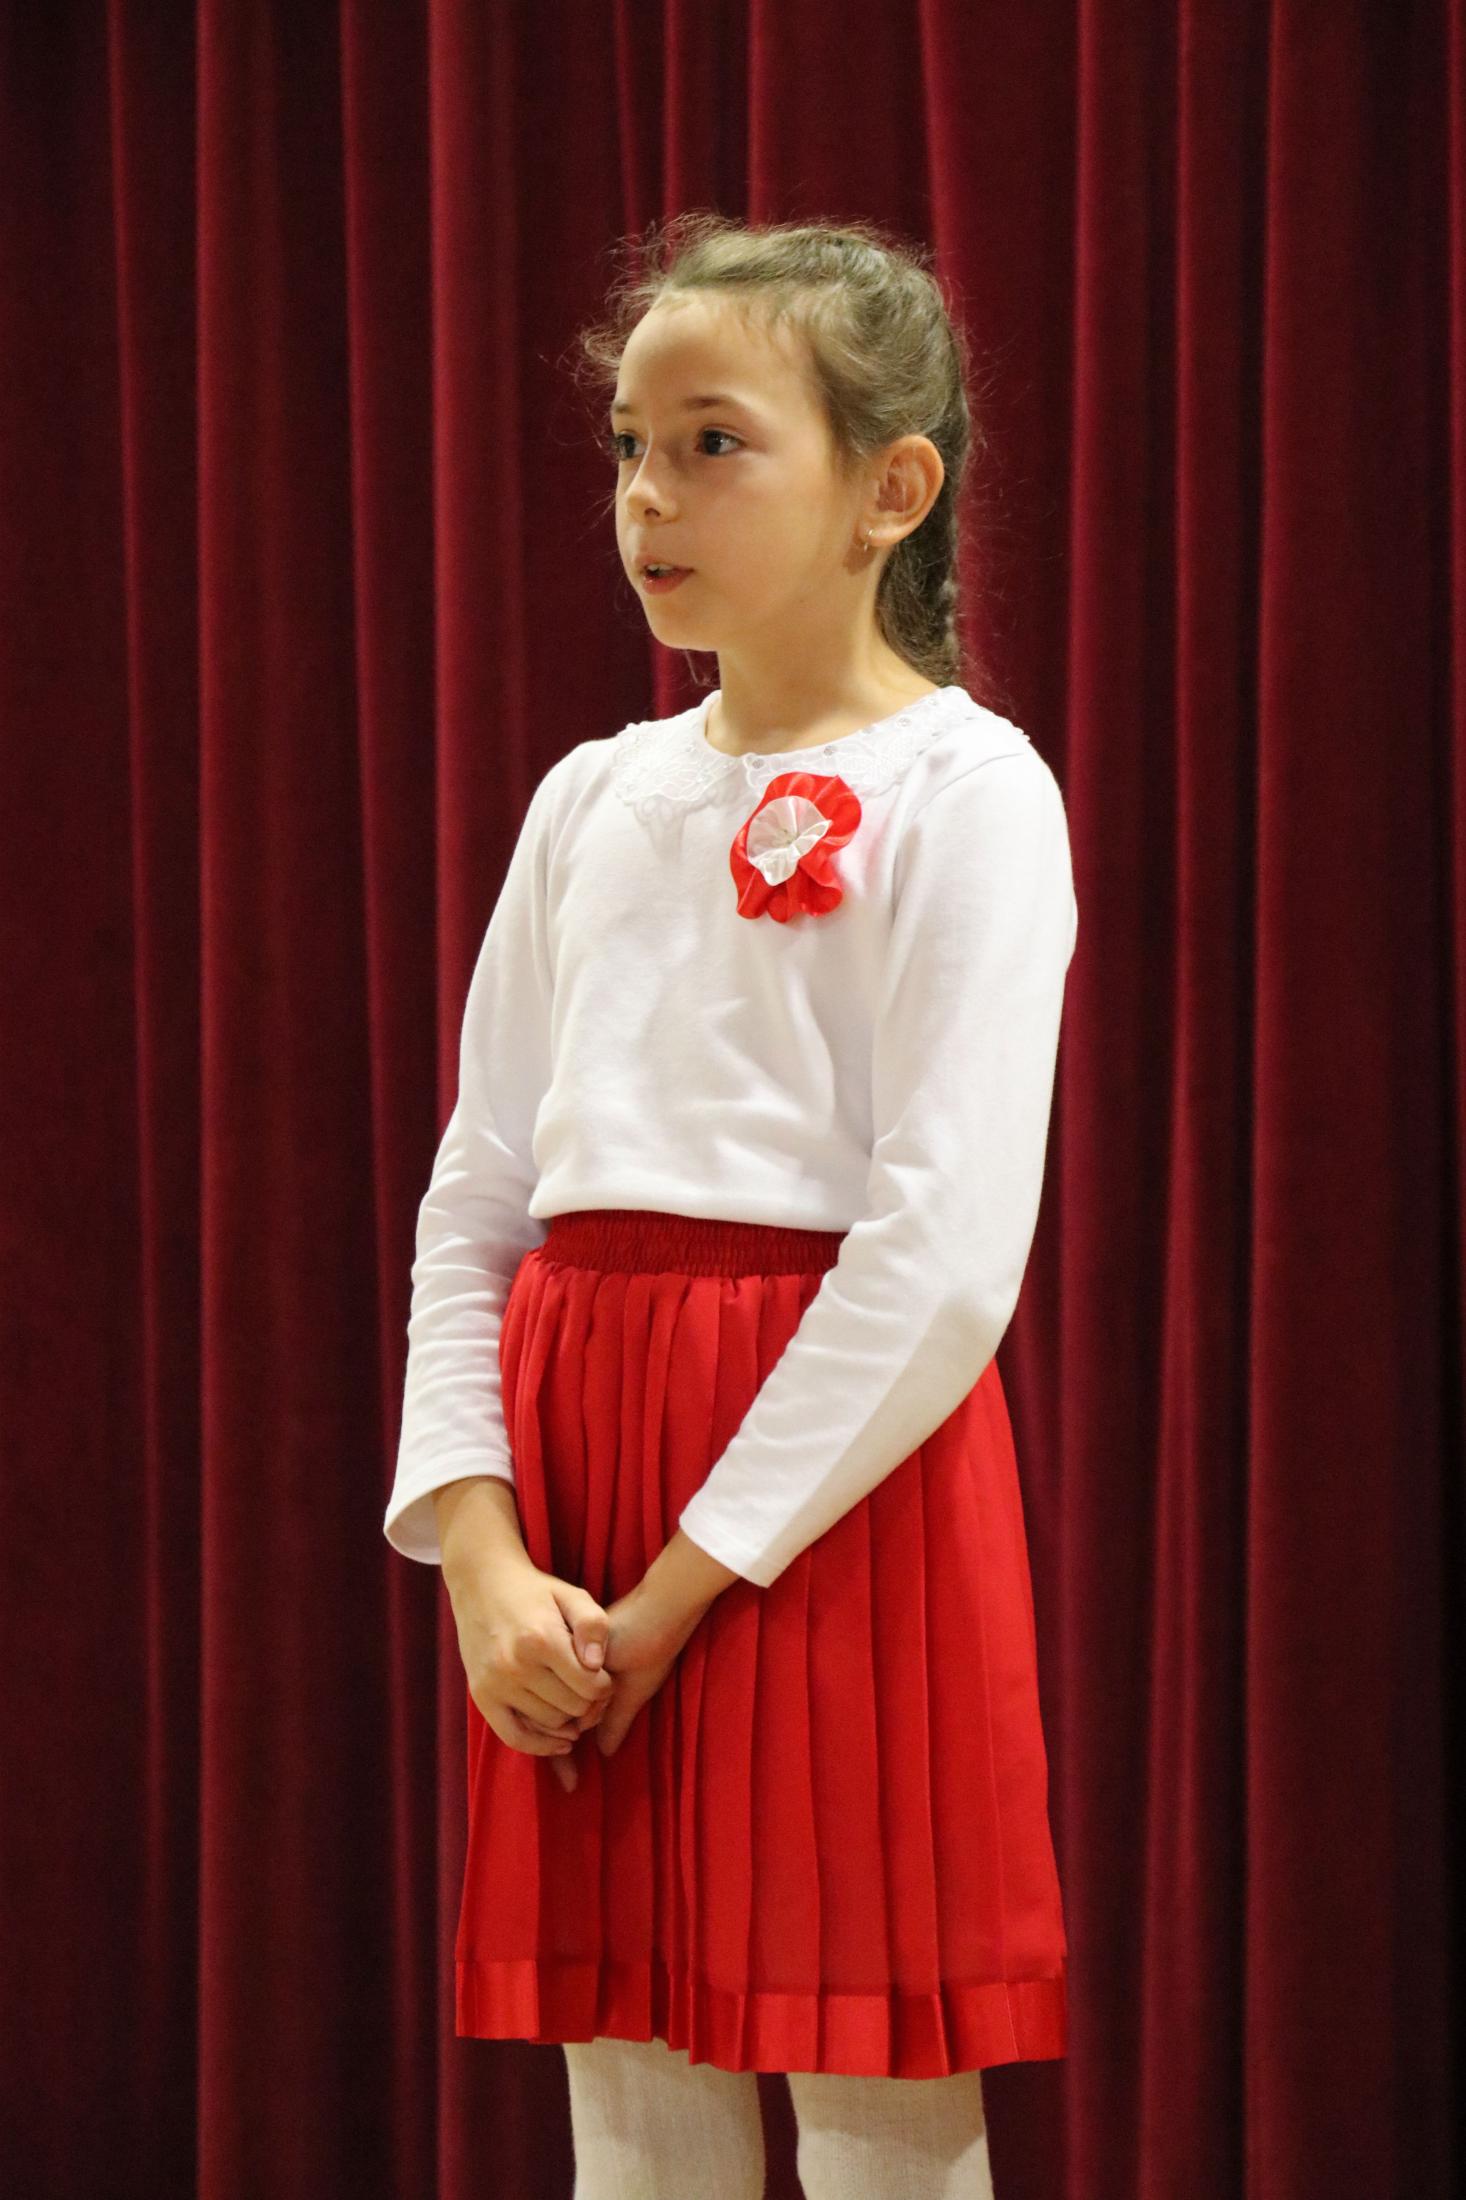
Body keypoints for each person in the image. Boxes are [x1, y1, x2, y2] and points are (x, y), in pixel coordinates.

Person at [384, 213, 1078, 2199]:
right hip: (576, 1482)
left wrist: (676, 1591)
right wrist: (483, 1553)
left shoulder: (969, 792)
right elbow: (478, 1191)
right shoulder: (590, 797)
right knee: (632, 2107)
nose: (645, 494)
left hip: (823, 1501)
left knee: (873, 2114)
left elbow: (940, 1258)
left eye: (711, 443)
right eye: (628, 445)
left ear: (889, 489)